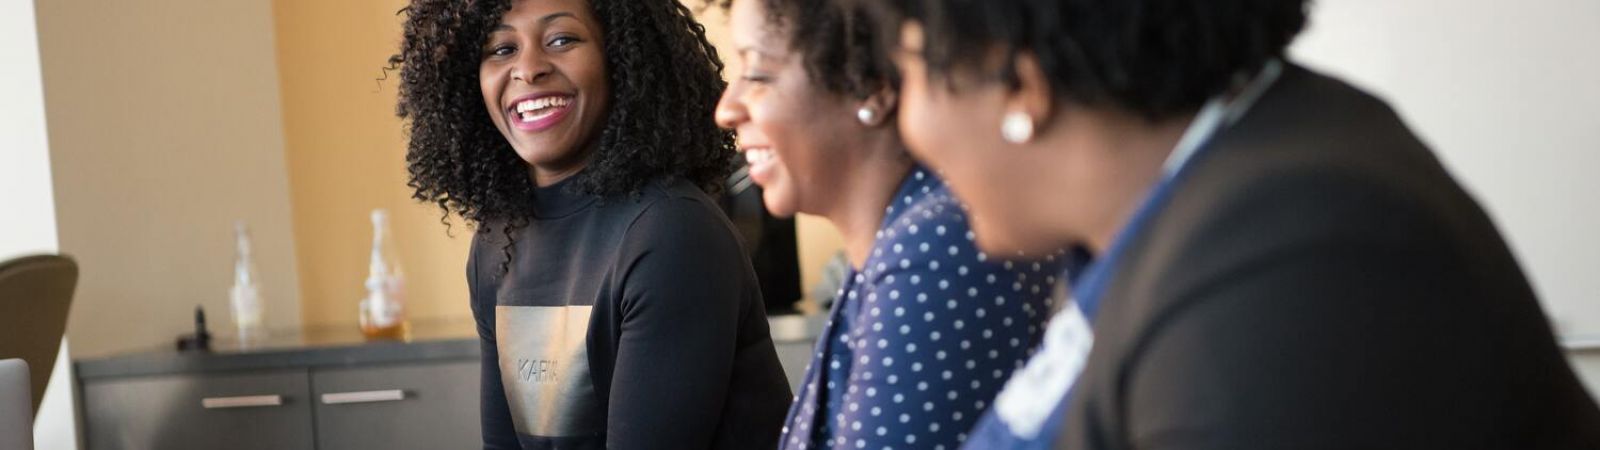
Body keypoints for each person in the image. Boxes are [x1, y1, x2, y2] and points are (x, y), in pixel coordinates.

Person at [866, 0, 1600, 448]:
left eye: (910, 76)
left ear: (1018, 81)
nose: (907, 121)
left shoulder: (1294, 260)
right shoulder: (1206, 198)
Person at [391, 0, 792, 448]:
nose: (528, 68)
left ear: (619, 58)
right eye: (501, 48)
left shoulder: (671, 233)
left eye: (562, 40)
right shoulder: (497, 242)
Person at [711, 0, 1069, 448]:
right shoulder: (899, 243)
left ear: (871, 86)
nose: (726, 109)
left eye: (758, 74)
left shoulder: (934, 249)